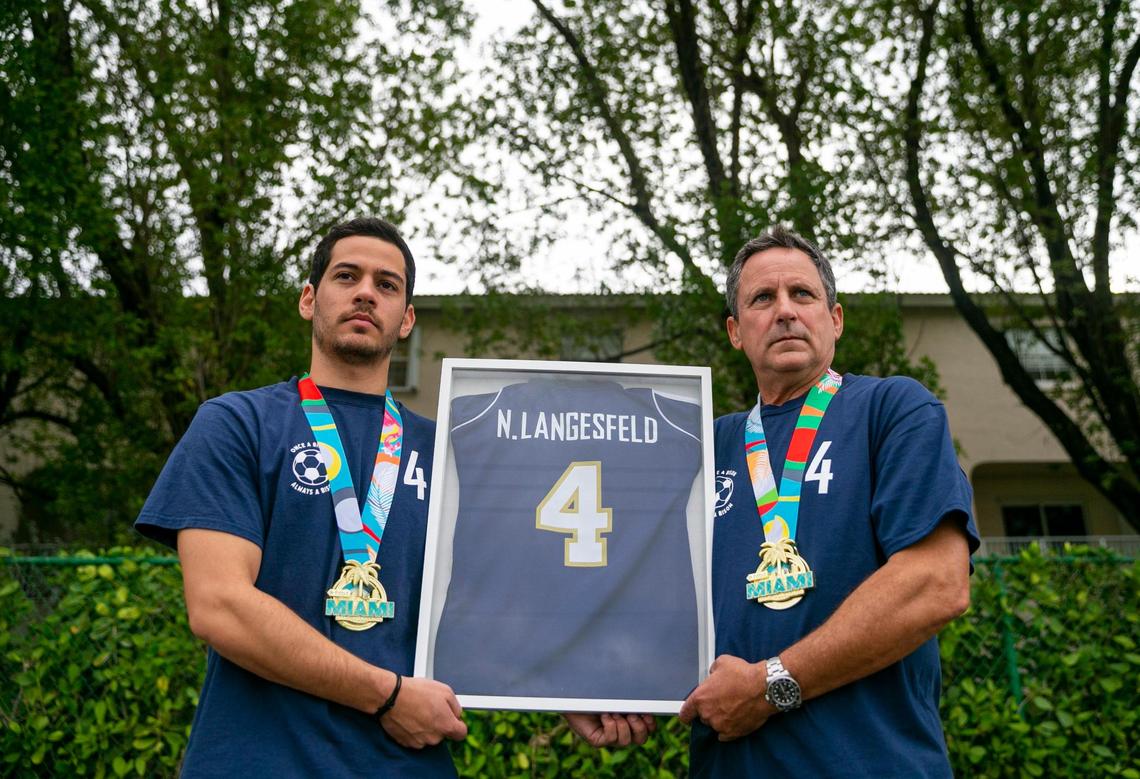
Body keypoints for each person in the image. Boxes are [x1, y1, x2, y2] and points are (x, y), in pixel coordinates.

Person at [136, 217, 649, 777]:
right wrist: (385, 695)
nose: (364, 293)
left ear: (405, 320)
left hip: (404, 765)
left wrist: (569, 689)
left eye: (386, 285)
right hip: (256, 759)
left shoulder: (451, 448)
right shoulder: (238, 423)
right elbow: (219, 606)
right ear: (309, 299)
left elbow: (490, 605)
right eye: (346, 276)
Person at [679, 226, 979, 777]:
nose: (785, 311)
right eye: (762, 299)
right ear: (735, 331)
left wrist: (771, 685)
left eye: (803, 294)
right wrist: (617, 691)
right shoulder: (704, 443)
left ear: (834, 319)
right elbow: (656, 598)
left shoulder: (893, 411)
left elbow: (937, 584)